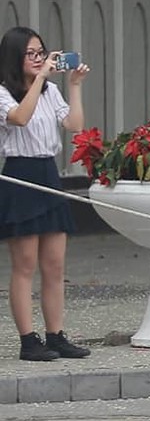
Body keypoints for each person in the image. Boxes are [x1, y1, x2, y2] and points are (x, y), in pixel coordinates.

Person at [0, 29, 90, 362]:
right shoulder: (3, 93)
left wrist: (75, 88)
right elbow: (20, 118)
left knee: (54, 264)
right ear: (14, 58)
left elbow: (74, 125)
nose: (39, 59)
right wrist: (39, 80)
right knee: (24, 265)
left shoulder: (50, 90)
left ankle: (56, 334)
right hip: (20, 175)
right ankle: (28, 340)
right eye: (31, 54)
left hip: (48, 173)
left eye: (42, 52)